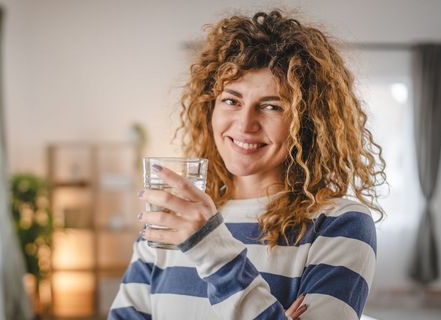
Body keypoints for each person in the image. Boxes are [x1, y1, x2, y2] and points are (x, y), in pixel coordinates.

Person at [109, 10, 386, 320]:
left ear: (307, 122)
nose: (245, 124)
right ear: (209, 107)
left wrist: (208, 245)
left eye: (271, 106)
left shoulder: (338, 224)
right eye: (231, 100)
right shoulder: (173, 220)